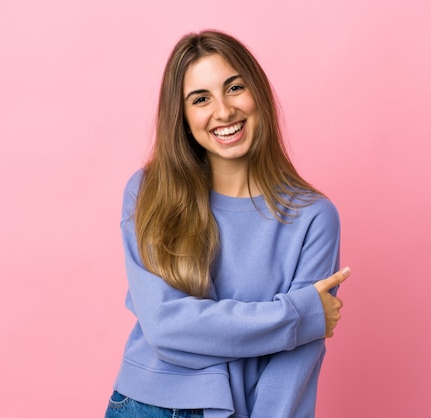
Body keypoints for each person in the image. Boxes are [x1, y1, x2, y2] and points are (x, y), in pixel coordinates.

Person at [105, 30, 350, 418]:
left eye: (234, 88)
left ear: (258, 93)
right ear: (183, 118)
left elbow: (294, 366)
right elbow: (166, 325)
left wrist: (300, 327)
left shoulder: (314, 217)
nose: (223, 111)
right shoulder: (150, 190)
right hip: (144, 405)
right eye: (200, 99)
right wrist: (298, 316)